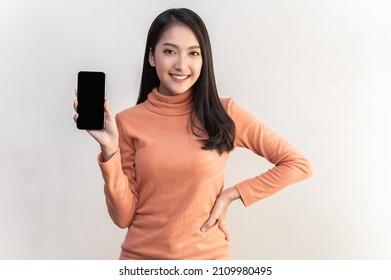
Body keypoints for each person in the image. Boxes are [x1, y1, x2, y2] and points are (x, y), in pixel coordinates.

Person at [73, 8, 312, 260]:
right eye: (169, 51)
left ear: (203, 59)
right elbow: (123, 217)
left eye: (193, 53)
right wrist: (109, 151)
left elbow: (297, 164)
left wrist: (232, 194)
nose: (181, 64)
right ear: (152, 57)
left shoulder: (224, 113)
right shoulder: (127, 122)